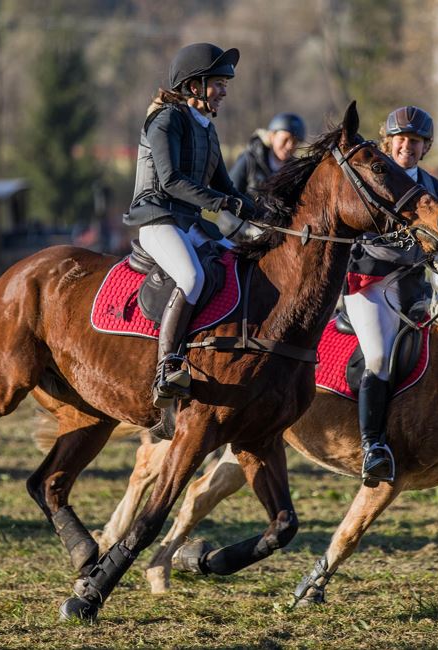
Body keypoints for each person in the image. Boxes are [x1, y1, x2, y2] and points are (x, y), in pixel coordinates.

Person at [123, 42, 255, 409]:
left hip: (189, 222)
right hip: (157, 217)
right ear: (195, 86)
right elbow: (170, 181)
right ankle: (168, 366)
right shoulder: (167, 120)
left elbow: (227, 188)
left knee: (240, 263)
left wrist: (269, 214)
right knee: (192, 277)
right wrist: (220, 204)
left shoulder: (207, 130)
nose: (226, 90)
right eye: (220, 83)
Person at [345, 105, 438, 485]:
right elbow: (366, 240)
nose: (407, 146)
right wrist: (417, 253)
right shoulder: (372, 180)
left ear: (425, 147)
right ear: (388, 142)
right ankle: (372, 445)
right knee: (380, 355)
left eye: (416, 141)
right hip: (369, 281)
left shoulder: (433, 188)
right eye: (401, 139)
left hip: (414, 284)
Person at [229, 112, 306, 196]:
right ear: (272, 136)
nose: (289, 146)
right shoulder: (249, 160)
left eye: (295, 142)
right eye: (285, 139)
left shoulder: (295, 170)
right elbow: (229, 194)